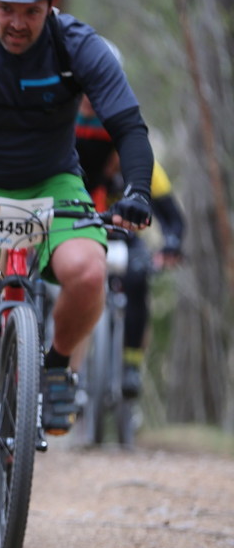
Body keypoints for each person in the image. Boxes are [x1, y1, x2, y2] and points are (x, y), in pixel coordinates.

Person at [0, 0, 154, 493]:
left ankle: (54, 365)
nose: (18, 23)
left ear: (53, 4)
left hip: (52, 184)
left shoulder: (78, 46)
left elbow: (128, 123)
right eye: (7, 9)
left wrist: (141, 191)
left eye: (31, 11)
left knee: (88, 270)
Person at [75, 89, 185, 398]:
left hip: (123, 239)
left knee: (138, 276)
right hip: (82, 232)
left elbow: (171, 216)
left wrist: (171, 244)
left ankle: (131, 364)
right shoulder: (81, 157)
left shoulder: (143, 165)